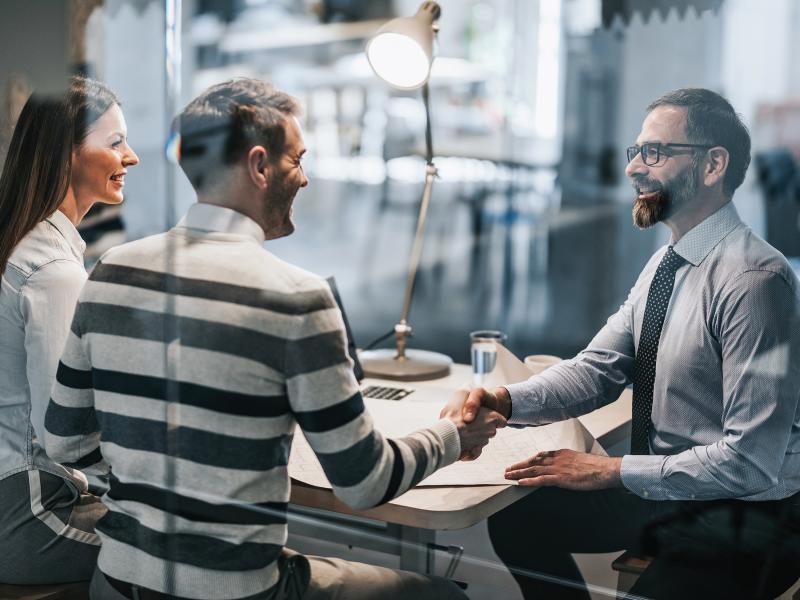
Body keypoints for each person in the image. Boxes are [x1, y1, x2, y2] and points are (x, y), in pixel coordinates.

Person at [44, 78, 505, 600]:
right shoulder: (295, 296)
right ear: (260, 166)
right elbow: (365, 483)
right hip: (235, 590)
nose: (304, 179)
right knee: (441, 596)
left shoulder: (110, 271)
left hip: (115, 582)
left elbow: (68, 443)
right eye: (297, 161)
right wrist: (453, 436)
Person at [459, 88, 800, 599]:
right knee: (519, 518)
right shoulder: (667, 265)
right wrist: (506, 402)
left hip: (746, 514)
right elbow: (598, 369)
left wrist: (610, 470)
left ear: (713, 165)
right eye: (635, 152)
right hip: (671, 493)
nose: (634, 169)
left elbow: (750, 461)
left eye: (655, 153)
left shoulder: (755, 280)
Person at [0, 76, 139, 584]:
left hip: (15, 501)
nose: (132, 157)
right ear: (67, 155)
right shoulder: (53, 273)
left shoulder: (20, 248)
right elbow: (66, 437)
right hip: (26, 520)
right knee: (189, 553)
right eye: (116, 142)